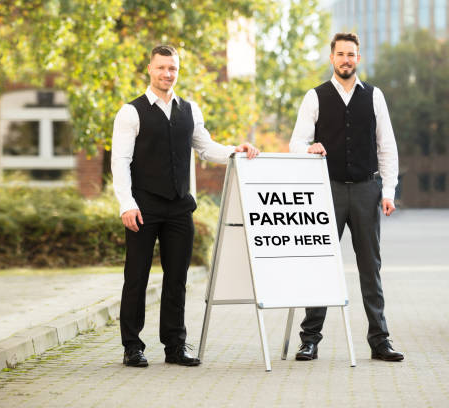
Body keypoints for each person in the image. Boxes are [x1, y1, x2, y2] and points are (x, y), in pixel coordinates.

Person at [111, 45, 259, 367]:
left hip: (179, 207)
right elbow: (120, 162)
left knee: (177, 278)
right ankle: (132, 347)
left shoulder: (190, 110)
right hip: (143, 207)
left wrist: (236, 150)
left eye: (173, 69)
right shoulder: (130, 112)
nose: (167, 74)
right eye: (162, 67)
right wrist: (126, 204)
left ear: (177, 71)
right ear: (149, 69)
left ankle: (175, 346)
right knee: (135, 276)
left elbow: (205, 148)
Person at [289, 32, 403, 362]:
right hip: (328, 190)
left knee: (371, 266)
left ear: (358, 58)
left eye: (351, 54)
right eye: (340, 54)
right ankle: (309, 339)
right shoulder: (315, 96)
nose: (346, 60)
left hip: (368, 190)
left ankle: (380, 341)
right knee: (321, 263)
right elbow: (296, 143)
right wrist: (309, 148)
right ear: (331, 58)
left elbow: (387, 147)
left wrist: (388, 191)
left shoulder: (374, 96)